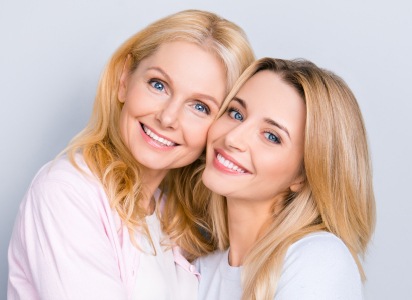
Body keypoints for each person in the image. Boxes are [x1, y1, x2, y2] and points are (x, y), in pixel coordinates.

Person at [8, 9, 255, 300]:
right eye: (158, 85)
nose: (168, 117)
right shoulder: (66, 191)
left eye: (200, 107)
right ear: (125, 79)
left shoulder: (168, 217)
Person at [195, 57, 376, 300]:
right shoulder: (196, 271)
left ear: (304, 174)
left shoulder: (318, 259)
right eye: (236, 114)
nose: (233, 138)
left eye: (271, 136)